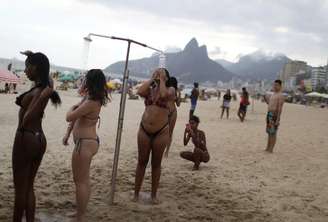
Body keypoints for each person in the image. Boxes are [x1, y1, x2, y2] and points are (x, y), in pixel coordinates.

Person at [12, 51, 61, 222]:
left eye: (27, 67)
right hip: (39, 138)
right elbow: (48, 78)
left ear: (36, 68)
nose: (25, 70)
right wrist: (34, 56)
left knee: (20, 188)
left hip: (26, 136)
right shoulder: (46, 85)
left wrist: (41, 98)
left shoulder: (41, 92)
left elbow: (26, 119)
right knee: (29, 186)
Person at [63, 69, 109, 222]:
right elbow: (75, 120)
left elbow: (70, 116)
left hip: (85, 143)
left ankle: (80, 217)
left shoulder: (91, 101)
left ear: (91, 81)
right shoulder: (90, 98)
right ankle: (80, 213)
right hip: (87, 142)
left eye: (86, 79)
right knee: (84, 180)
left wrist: (72, 107)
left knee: (80, 181)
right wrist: (68, 133)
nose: (84, 81)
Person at [134, 68, 175, 204]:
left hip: (161, 131)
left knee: (156, 164)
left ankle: (153, 195)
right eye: (156, 73)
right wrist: (152, 79)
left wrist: (162, 80)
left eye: (161, 73)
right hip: (144, 129)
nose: (158, 75)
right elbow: (139, 91)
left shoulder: (171, 90)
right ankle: (136, 193)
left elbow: (163, 95)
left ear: (167, 78)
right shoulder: (150, 89)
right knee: (141, 162)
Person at [263, 80, 285, 153]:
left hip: (274, 115)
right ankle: (267, 147)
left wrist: (278, 119)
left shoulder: (280, 95)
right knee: (269, 132)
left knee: (273, 132)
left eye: (276, 85)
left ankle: (271, 149)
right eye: (274, 85)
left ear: (280, 86)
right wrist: (266, 100)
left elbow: (280, 108)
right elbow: (270, 104)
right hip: (269, 114)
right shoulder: (273, 94)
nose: (275, 86)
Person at [165, 76, 180, 157]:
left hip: (170, 112)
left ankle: (167, 151)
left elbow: (178, 104)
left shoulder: (174, 91)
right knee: (168, 132)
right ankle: (166, 151)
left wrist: (178, 96)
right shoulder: (166, 90)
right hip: (171, 112)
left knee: (169, 132)